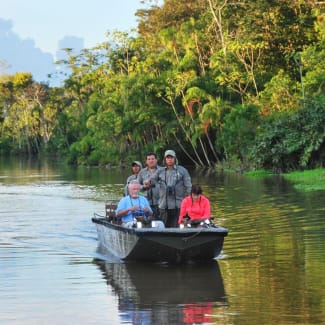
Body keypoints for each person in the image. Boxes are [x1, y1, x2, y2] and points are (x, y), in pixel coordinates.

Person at [150, 149, 192, 228]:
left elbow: (189, 186)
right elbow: (152, 180)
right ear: (165, 159)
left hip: (178, 206)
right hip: (163, 206)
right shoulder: (160, 171)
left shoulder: (182, 170)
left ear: (175, 159)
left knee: (178, 228)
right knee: (163, 228)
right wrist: (147, 183)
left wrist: (191, 201)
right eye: (167, 157)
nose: (169, 159)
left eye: (171, 157)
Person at [137, 152, 162, 219]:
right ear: (146, 161)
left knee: (160, 222)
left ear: (156, 160)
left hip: (160, 202)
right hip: (146, 202)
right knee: (147, 222)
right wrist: (143, 187)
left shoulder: (162, 170)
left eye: (153, 159)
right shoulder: (142, 172)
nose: (151, 161)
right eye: (149, 159)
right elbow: (137, 186)